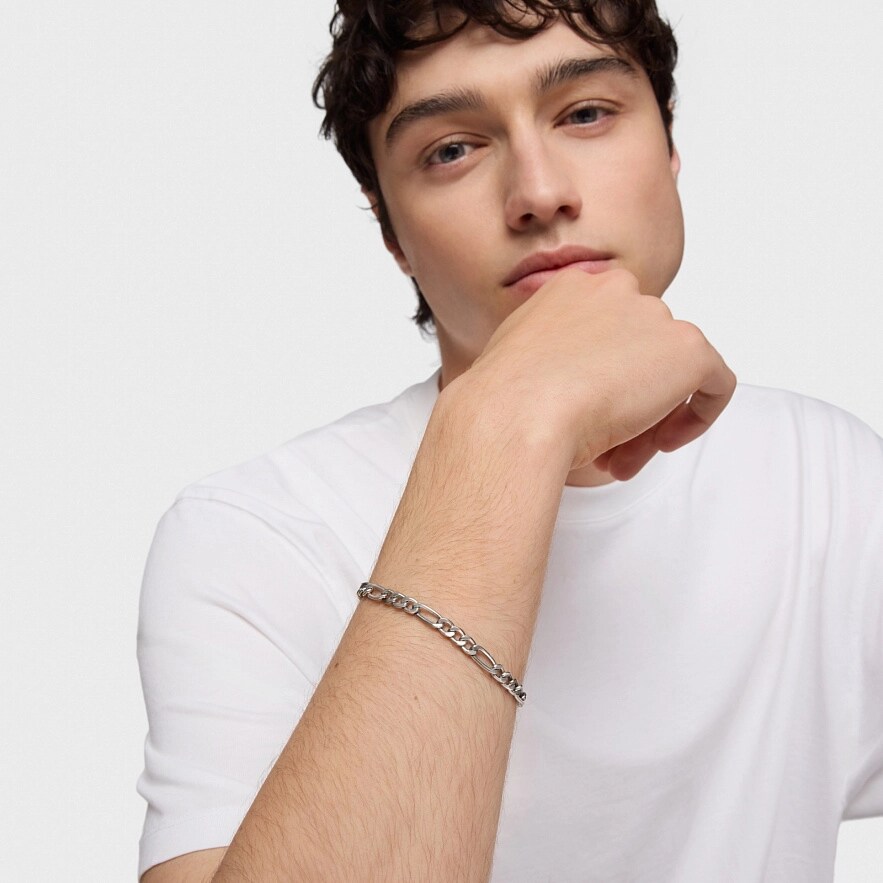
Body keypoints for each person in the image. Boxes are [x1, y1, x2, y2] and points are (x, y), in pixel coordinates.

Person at [135, 2, 883, 880]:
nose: (538, 193)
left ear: (668, 143)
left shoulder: (824, 476)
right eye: (451, 150)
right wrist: (512, 427)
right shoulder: (255, 536)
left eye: (586, 113)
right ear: (391, 233)